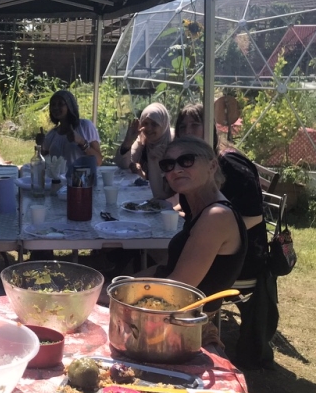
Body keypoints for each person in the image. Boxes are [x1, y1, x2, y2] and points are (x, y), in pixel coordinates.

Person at [176, 104, 278, 369]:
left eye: (195, 125)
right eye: (183, 126)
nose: (189, 131)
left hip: (243, 261)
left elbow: (255, 215)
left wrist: (211, 233)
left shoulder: (228, 162)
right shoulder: (190, 165)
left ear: (209, 127)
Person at [151, 136, 247, 348]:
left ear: (212, 166)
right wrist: (115, 284)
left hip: (182, 324)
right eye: (168, 165)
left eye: (186, 160)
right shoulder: (200, 209)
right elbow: (167, 269)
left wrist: (116, 295)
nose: (175, 169)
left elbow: (179, 288)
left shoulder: (216, 216)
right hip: (176, 313)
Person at [115, 102, 174, 200]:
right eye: (145, 123)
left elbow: (168, 188)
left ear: (163, 124)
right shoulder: (143, 139)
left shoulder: (173, 143)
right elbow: (124, 165)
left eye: (154, 124)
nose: (149, 128)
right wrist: (128, 141)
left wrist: (145, 175)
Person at [41, 90, 102, 167]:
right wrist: (41, 145)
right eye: (53, 104)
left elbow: (98, 161)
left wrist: (81, 142)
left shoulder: (85, 126)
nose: (56, 107)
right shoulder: (51, 135)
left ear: (70, 106)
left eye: (60, 104)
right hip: (58, 179)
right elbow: (46, 164)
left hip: (81, 178)